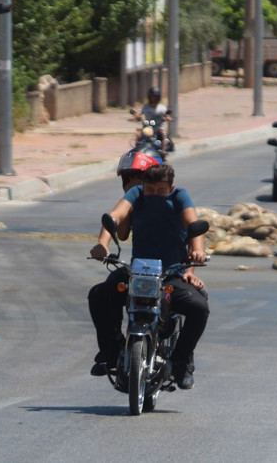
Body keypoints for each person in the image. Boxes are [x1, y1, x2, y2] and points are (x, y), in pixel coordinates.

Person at [88, 163, 209, 389]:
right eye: (150, 190)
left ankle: (182, 362)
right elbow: (114, 217)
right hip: (138, 270)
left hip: (172, 273)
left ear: (170, 187)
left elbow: (194, 225)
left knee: (198, 307)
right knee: (99, 295)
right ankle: (110, 351)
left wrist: (197, 253)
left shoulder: (180, 196)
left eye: (160, 191)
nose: (154, 195)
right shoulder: (137, 193)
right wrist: (102, 245)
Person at [130, 86, 173, 156]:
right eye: (152, 97)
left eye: (155, 97)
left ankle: (163, 150)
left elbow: (166, 115)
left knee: (163, 133)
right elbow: (139, 112)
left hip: (158, 126)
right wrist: (135, 117)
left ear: (158, 98)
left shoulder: (161, 108)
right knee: (138, 133)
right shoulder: (146, 107)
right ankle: (137, 149)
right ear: (149, 97)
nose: (153, 99)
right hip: (147, 126)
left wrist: (168, 117)